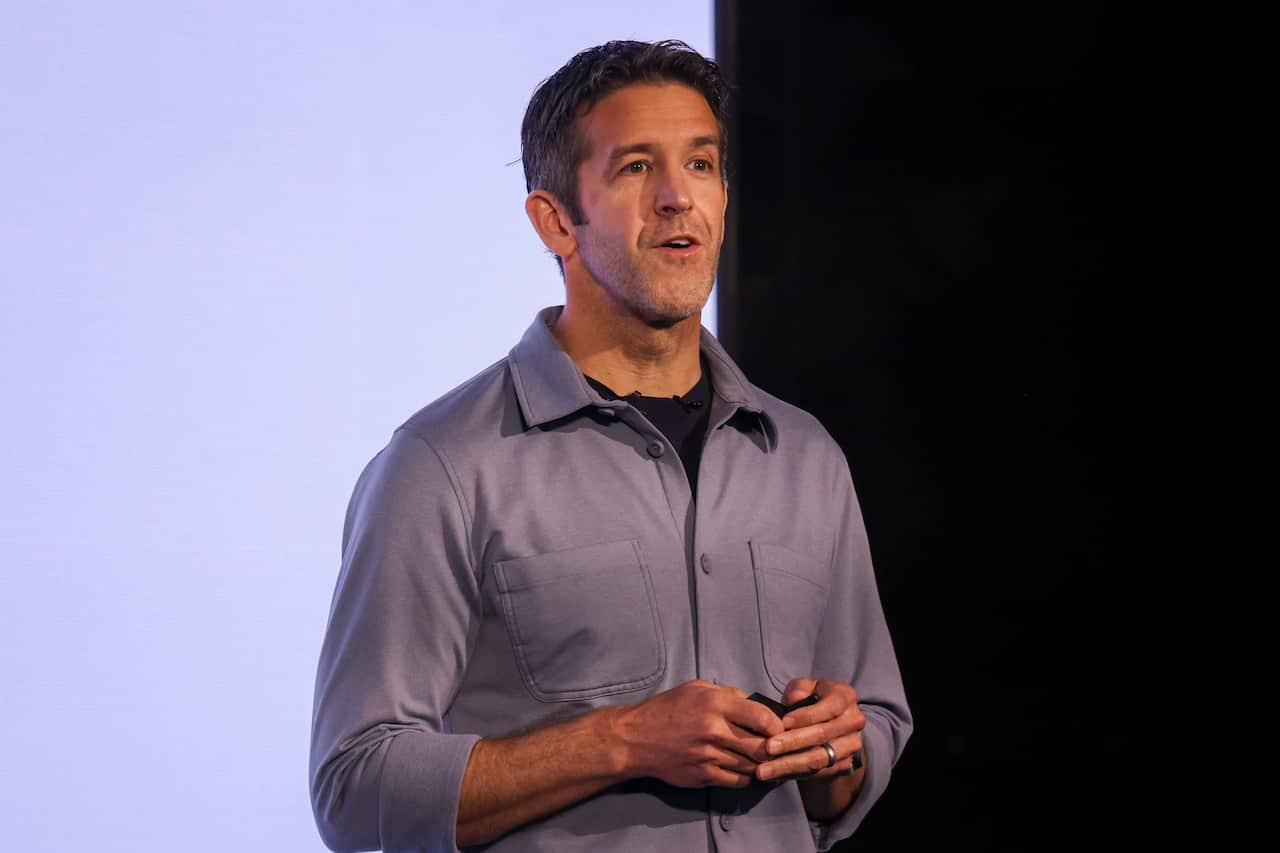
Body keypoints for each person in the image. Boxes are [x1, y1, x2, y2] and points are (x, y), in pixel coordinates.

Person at [310, 39, 911, 853]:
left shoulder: (804, 458)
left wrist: (834, 750)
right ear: (555, 219)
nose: (676, 198)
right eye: (635, 168)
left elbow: (867, 734)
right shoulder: (442, 465)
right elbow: (356, 784)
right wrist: (622, 739)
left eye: (701, 164)